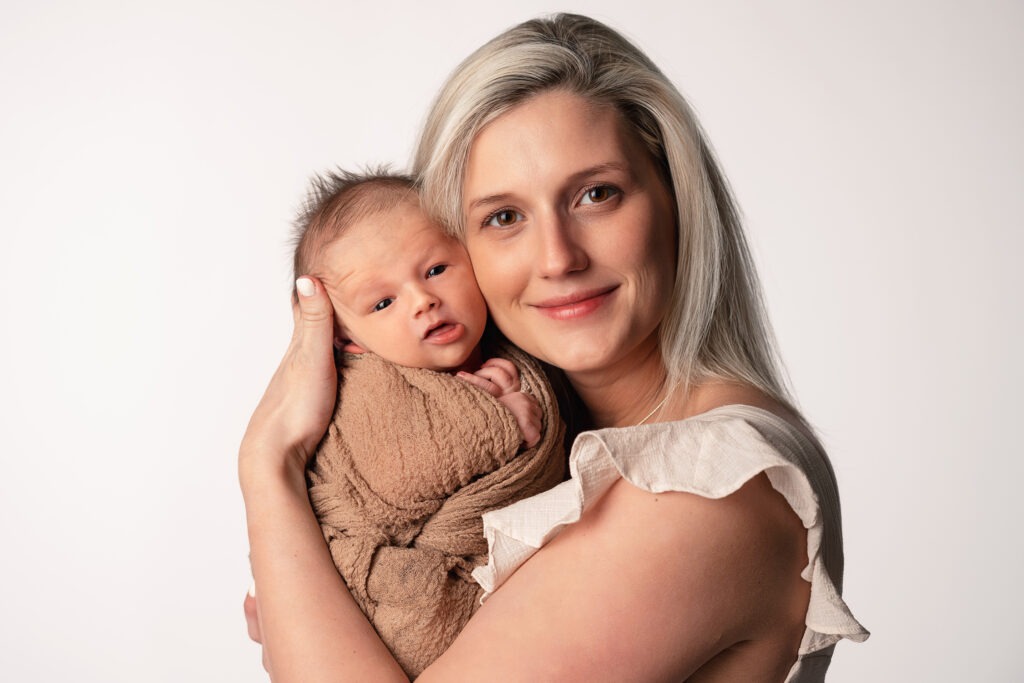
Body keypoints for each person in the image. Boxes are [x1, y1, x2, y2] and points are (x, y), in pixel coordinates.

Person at [239, 13, 869, 682]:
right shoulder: (553, 448)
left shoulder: (704, 488)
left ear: (675, 199)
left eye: (597, 194)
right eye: (504, 217)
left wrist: (268, 466)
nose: (557, 257)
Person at [287, 169, 565, 676]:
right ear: (348, 340)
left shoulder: (516, 357)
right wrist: (502, 422)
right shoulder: (367, 388)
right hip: (392, 602)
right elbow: (402, 474)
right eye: (384, 302)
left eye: (436, 269)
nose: (422, 301)